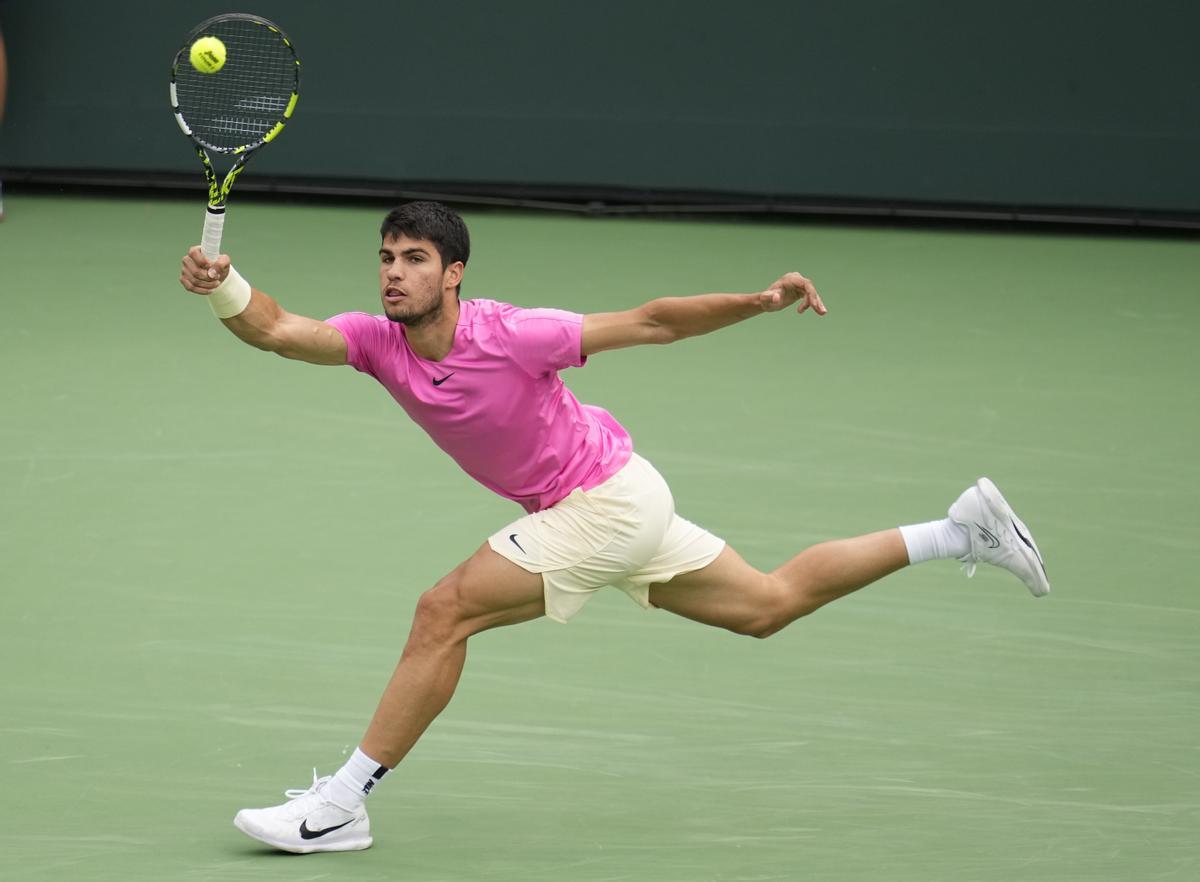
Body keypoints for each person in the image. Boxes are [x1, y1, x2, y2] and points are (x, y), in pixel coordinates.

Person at [178, 201, 1049, 855]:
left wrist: (756, 300)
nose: (393, 273)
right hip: (618, 498)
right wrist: (228, 290)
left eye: (415, 258)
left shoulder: (513, 334)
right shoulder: (377, 341)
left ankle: (342, 804)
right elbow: (282, 332)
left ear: (454, 275)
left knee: (444, 611)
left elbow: (653, 321)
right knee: (767, 604)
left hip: (608, 505)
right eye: (385, 258)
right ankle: (959, 531)